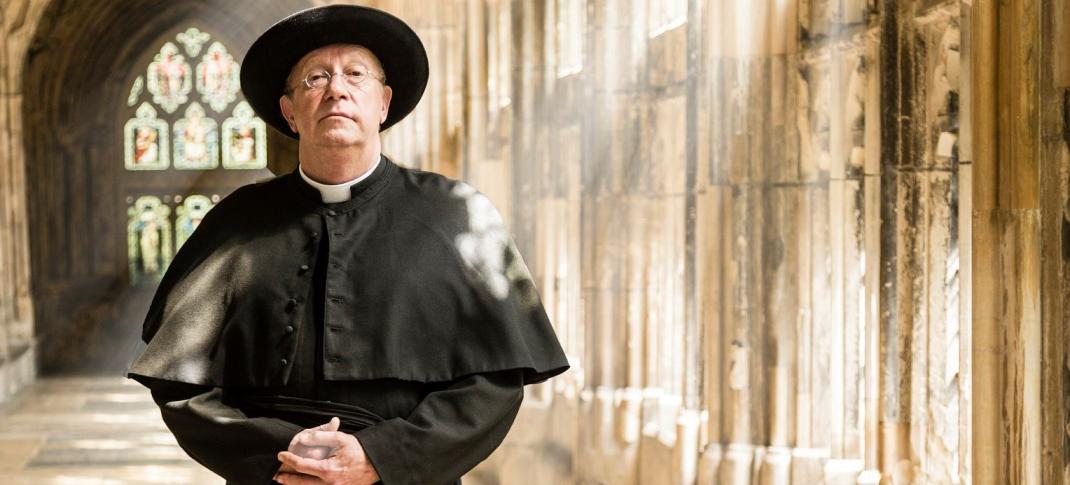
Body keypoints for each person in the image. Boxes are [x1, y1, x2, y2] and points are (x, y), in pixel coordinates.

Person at [127, 5, 569, 485]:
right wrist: (279, 451)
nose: (337, 88)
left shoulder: (456, 214)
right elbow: (179, 385)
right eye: (315, 78)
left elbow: (496, 384)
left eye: (356, 74)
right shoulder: (234, 222)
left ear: (383, 104)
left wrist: (380, 456)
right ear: (290, 112)